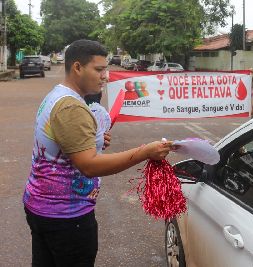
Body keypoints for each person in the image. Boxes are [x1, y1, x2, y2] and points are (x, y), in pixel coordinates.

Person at [22, 39, 173, 267]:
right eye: (99, 69)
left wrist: (94, 140)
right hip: (66, 217)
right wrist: (145, 152)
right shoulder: (72, 107)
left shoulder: (57, 95)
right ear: (77, 68)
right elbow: (89, 166)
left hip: (42, 207)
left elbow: (65, 144)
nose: (105, 76)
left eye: (106, 70)